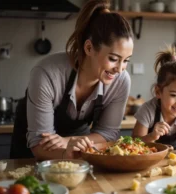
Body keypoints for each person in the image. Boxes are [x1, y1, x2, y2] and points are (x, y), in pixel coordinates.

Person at [10, 0, 134, 160]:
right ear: (89, 48)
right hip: (31, 154)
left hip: (77, 147)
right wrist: (68, 149)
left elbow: (109, 134)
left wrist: (69, 142)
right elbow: (40, 145)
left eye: (126, 61)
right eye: (113, 58)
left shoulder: (121, 81)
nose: (119, 69)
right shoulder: (47, 73)